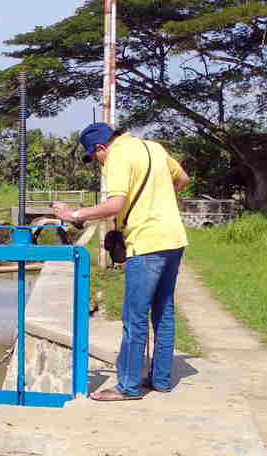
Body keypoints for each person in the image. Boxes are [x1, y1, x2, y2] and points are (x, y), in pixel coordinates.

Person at [52, 122, 190, 401]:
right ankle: (161, 380)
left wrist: (73, 214)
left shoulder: (117, 157)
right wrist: (158, 203)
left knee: (134, 316)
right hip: (174, 238)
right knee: (163, 312)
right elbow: (183, 179)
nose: (98, 163)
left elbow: (114, 205)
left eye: (95, 157)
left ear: (101, 148)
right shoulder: (154, 147)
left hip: (146, 243)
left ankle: (128, 386)